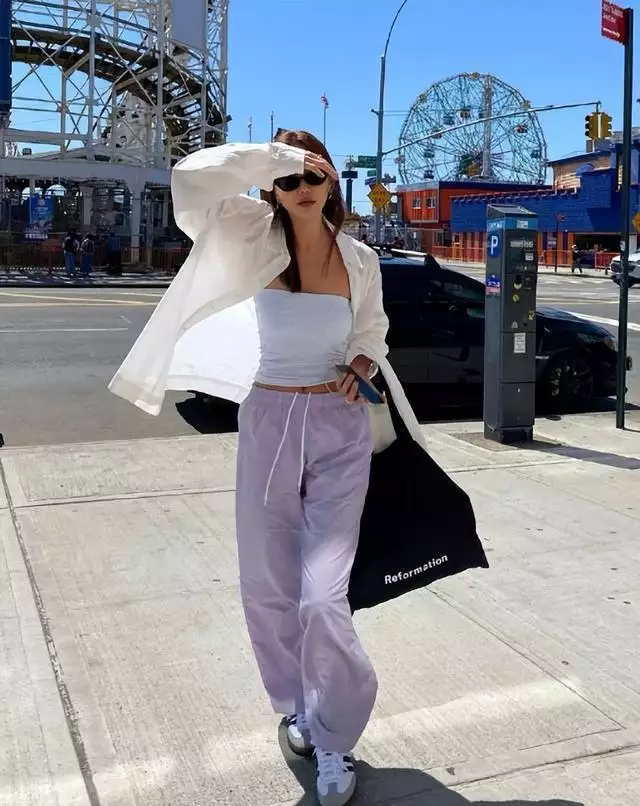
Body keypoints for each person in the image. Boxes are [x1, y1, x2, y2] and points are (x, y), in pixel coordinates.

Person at [108, 130, 426, 806]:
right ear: (270, 188)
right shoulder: (250, 236)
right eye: (288, 178)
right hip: (270, 421)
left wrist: (363, 363)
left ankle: (335, 735)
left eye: (313, 173)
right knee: (267, 585)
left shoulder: (360, 258)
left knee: (322, 595)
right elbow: (191, 182)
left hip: (339, 427)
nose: (302, 187)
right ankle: (299, 707)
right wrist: (267, 158)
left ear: (332, 179)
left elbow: (372, 331)